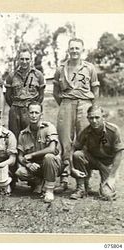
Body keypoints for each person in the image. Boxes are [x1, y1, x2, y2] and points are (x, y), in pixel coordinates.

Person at [53, 38, 100, 190]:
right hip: (67, 104)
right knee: (65, 141)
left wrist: (93, 108)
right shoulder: (61, 69)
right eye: (71, 48)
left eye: (77, 48)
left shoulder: (89, 68)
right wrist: (65, 105)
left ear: (82, 50)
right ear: (68, 50)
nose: (74, 51)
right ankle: (65, 178)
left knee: (85, 142)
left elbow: (95, 90)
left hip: (85, 104)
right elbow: (55, 92)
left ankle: (84, 181)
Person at [70, 105, 123, 200]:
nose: (94, 121)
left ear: (103, 117)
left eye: (97, 117)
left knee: (107, 195)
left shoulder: (113, 130)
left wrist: (112, 176)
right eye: (91, 118)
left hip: (107, 164)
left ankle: (105, 185)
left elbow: (119, 153)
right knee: (78, 155)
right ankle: (81, 188)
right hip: (92, 159)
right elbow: (73, 148)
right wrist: (72, 168)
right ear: (87, 118)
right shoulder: (85, 131)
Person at [16, 102, 62, 203]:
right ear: (27, 114)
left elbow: (51, 149)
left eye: (36, 112)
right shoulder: (23, 134)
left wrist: (32, 155)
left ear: (41, 114)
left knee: (48, 157)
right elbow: (20, 156)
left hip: (52, 165)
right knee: (20, 172)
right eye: (31, 112)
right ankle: (39, 182)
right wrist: (28, 164)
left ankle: (49, 190)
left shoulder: (49, 127)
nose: (33, 115)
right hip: (36, 167)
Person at [5, 48, 45, 140]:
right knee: (14, 137)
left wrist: (32, 107)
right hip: (15, 109)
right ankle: (15, 153)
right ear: (18, 60)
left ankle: (31, 154)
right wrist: (16, 106)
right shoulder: (11, 76)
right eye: (22, 59)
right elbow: (7, 96)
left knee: (31, 136)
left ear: (31, 60)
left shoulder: (38, 75)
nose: (24, 61)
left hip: (30, 109)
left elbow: (41, 95)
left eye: (27, 59)